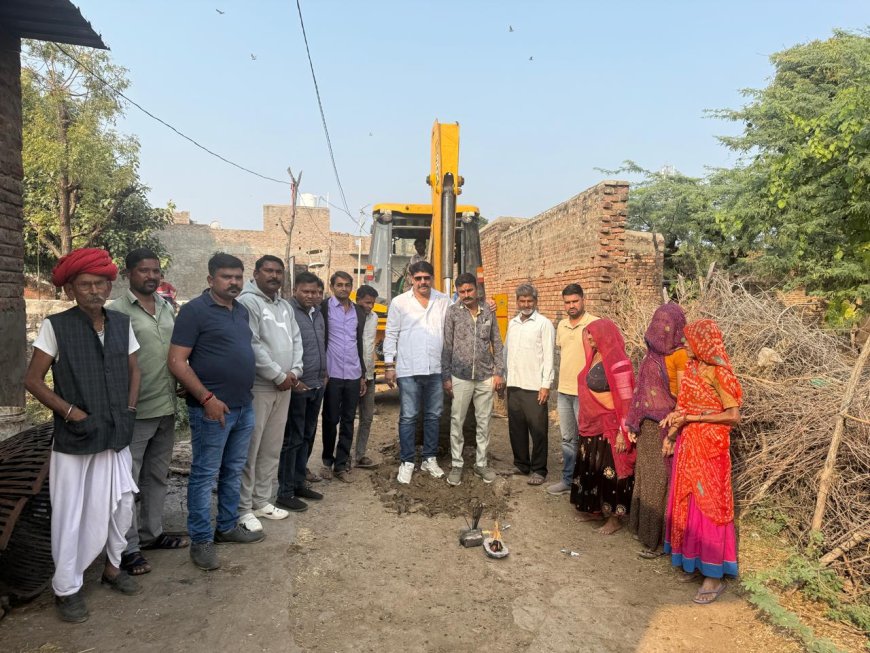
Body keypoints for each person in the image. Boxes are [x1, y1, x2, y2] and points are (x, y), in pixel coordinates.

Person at [24, 248, 142, 622]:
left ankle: (112, 569)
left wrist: (129, 409)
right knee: (71, 515)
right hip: (76, 439)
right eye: (85, 284)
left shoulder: (122, 323)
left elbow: (134, 370)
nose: (93, 291)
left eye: (100, 284)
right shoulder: (55, 326)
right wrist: (70, 412)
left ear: (110, 286)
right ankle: (67, 589)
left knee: (121, 505)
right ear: (71, 289)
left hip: (116, 433)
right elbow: (32, 380)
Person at [167, 253, 264, 572]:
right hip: (212, 410)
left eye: (238, 277)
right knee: (205, 473)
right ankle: (201, 540)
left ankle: (226, 527)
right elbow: (177, 362)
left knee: (233, 469)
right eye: (226, 277)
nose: (234, 282)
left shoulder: (241, 311)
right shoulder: (195, 311)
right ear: (211, 280)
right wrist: (206, 397)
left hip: (242, 405)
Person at [109, 249, 189, 578]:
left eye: (155, 270)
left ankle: (151, 534)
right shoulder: (116, 310)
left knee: (157, 477)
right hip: (135, 411)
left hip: (166, 406)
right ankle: (125, 548)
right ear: (129, 274)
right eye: (144, 271)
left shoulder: (167, 308)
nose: (151, 276)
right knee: (126, 483)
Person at [661, 319, 741, 605]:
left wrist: (695, 418)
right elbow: (684, 404)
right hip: (689, 445)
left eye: (689, 341)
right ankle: (692, 562)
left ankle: (714, 575)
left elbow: (733, 416)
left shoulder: (722, 374)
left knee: (711, 506)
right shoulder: (693, 369)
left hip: (711, 449)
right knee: (689, 502)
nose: (685, 346)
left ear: (703, 344)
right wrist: (675, 424)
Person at [235, 255, 304, 533]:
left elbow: (296, 339)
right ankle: (243, 508)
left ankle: (262, 500)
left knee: (271, 447)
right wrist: (277, 374)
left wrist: (295, 372)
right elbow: (251, 344)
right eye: (269, 271)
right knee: (251, 448)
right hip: (260, 386)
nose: (274, 276)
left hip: (285, 386)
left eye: (278, 272)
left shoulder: (284, 306)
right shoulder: (247, 302)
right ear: (256, 273)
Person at [626, 303, 687, 557]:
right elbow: (640, 390)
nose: (662, 328)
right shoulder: (650, 352)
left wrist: (673, 433)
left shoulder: (679, 355)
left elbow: (685, 396)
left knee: (660, 482)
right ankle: (644, 533)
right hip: (647, 426)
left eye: (668, 323)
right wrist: (633, 421)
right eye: (658, 320)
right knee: (645, 478)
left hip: (666, 426)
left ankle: (658, 542)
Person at [383, 260, 450, 484]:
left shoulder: (443, 301)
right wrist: (389, 365)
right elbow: (391, 334)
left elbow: (460, 316)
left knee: (433, 416)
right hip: (408, 369)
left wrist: (485, 304)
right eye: (418, 278)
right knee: (409, 416)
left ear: (432, 279)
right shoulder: (399, 303)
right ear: (411, 278)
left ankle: (429, 458)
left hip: (435, 369)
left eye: (427, 278)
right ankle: (407, 461)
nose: (422, 282)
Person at [571, 319, 636, 535]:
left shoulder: (618, 362)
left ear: (605, 335)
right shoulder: (594, 357)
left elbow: (627, 401)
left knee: (610, 472)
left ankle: (614, 519)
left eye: (592, 334)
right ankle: (594, 510)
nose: (589, 338)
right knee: (592, 468)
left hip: (609, 427)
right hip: (591, 426)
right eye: (588, 334)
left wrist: (622, 433)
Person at [442, 272, 505, 486]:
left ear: (476, 290)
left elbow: (497, 341)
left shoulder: (488, 311)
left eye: (469, 290)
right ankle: (457, 465)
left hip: (485, 375)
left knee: (484, 422)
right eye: (462, 292)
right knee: (457, 421)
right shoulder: (453, 313)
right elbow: (447, 346)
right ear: (457, 293)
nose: (466, 295)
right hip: (460, 376)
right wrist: (446, 376)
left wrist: (499, 372)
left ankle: (481, 464)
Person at [276, 271, 327, 512]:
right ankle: (284, 491)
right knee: (292, 439)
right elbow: (286, 347)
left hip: (317, 383)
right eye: (306, 291)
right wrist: (295, 380)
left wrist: (324, 374)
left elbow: (321, 343)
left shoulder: (317, 312)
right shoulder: (287, 311)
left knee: (307, 436)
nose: (311, 296)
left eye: (316, 292)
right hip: (298, 385)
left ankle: (298, 483)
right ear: (295, 290)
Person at [548, 284, 598, 495]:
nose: (571, 306)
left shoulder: (594, 324)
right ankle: (568, 480)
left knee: (587, 438)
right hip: (564, 391)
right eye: (567, 302)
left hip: (586, 392)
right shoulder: (561, 326)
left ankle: (587, 484)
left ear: (583, 299)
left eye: (575, 301)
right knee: (568, 438)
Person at [503, 284, 555, 486]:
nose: (525, 304)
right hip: (514, 384)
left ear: (535, 301)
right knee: (516, 428)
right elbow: (507, 352)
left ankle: (539, 469)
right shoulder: (513, 323)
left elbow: (549, 356)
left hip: (535, 386)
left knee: (538, 430)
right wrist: (503, 377)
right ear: (517, 302)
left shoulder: (543, 324)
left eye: (529, 301)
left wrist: (546, 385)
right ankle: (522, 464)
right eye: (522, 301)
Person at [319, 271, 367, 482]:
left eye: (347, 285)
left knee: (348, 420)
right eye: (339, 285)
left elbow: (360, 344)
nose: (344, 289)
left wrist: (363, 374)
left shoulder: (358, 311)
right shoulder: (323, 308)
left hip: (354, 373)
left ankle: (341, 464)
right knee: (330, 419)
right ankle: (327, 461)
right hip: (333, 373)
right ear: (332, 287)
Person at [353, 284, 379, 468]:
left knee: (367, 417)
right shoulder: (349, 316)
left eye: (372, 303)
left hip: (369, 374)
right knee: (346, 418)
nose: (369, 306)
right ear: (358, 300)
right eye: (367, 302)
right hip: (352, 375)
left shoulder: (374, 317)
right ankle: (342, 457)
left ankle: (360, 455)